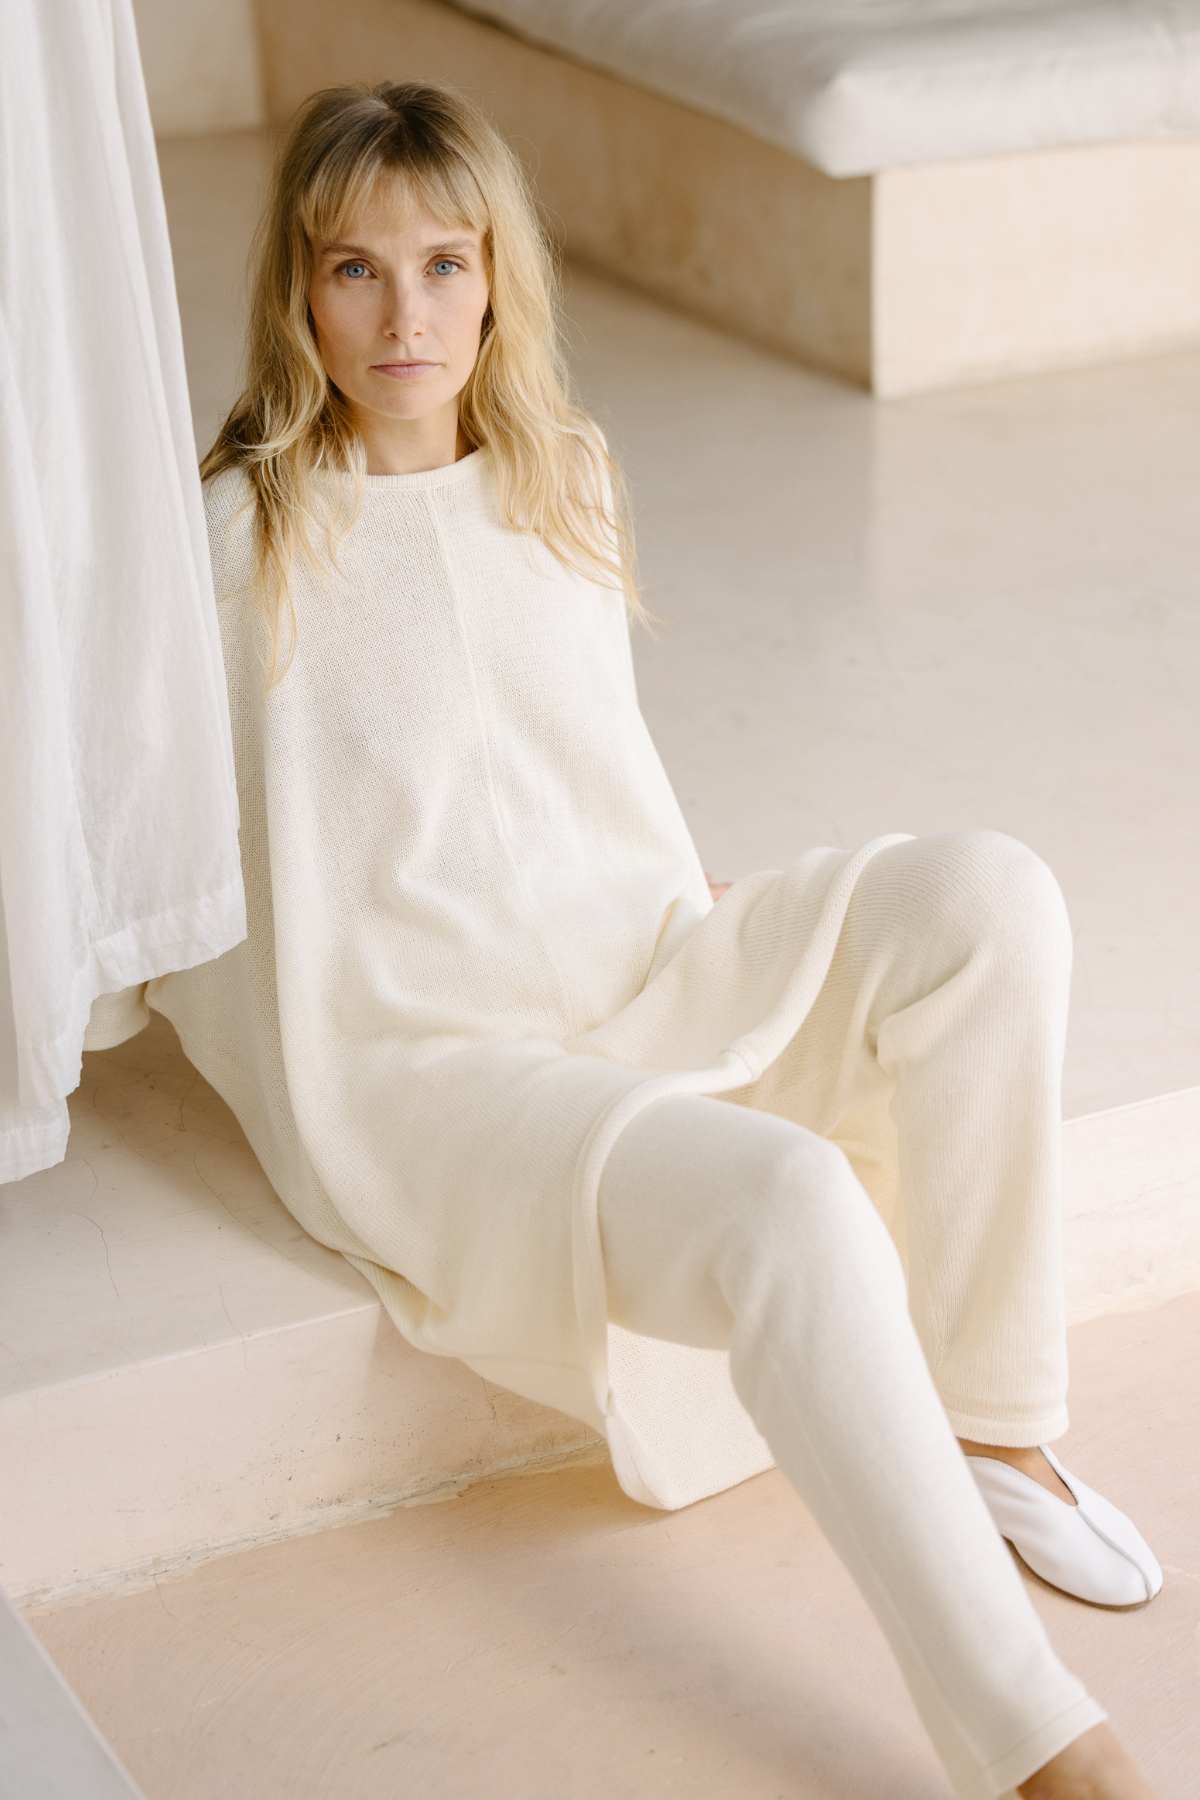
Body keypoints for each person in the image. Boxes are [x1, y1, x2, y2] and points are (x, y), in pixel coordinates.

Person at [84, 78, 1163, 1800]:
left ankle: (997, 1427)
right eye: (354, 271)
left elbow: (575, 750)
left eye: (446, 264)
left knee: (988, 897)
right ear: (296, 290)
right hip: (438, 1079)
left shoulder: (561, 478)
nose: (406, 315)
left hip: (641, 961)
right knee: (793, 1205)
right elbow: (140, 848)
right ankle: (1040, 1746)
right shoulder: (237, 547)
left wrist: (681, 889)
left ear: (502, 274)